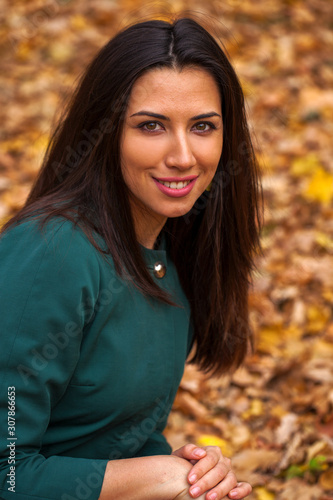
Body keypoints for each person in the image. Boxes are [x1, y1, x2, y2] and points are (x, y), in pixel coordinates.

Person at [0, 16, 261, 500]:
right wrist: (158, 478)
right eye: (151, 126)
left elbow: (125, 438)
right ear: (105, 133)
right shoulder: (51, 253)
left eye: (203, 126)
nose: (183, 156)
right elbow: (6, 473)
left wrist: (194, 471)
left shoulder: (175, 253)